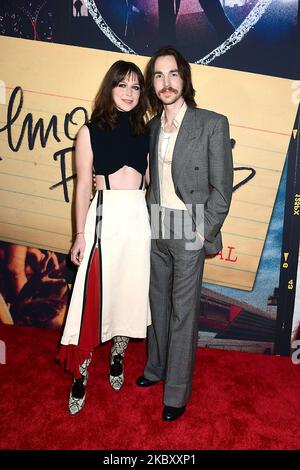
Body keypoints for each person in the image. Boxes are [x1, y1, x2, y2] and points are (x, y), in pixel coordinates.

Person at [136, 46, 233, 421]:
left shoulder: (212, 123)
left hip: (188, 226)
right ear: (152, 83)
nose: (166, 82)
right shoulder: (151, 126)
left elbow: (222, 189)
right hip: (156, 222)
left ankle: (175, 393)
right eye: (158, 76)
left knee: (183, 313)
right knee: (157, 304)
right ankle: (156, 368)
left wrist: (202, 229)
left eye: (172, 74)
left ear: (184, 78)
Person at [57, 60, 151, 415]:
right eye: (122, 85)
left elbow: (151, 183)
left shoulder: (146, 131)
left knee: (129, 292)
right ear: (109, 88)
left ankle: (117, 354)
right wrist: (79, 234)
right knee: (91, 297)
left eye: (135, 87)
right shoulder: (89, 130)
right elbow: (83, 186)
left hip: (138, 221)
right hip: (104, 218)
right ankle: (81, 373)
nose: (129, 93)